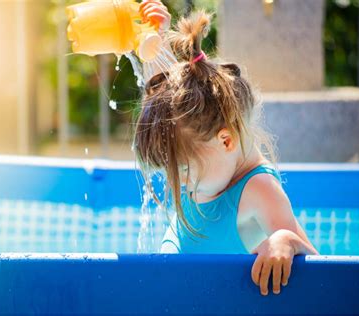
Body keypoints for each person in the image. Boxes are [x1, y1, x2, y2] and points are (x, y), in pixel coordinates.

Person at [136, 1, 319, 296]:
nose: (178, 182)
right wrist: (156, 37)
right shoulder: (205, 150)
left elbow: (323, 272)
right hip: (181, 295)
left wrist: (286, 240)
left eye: (184, 170)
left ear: (225, 140)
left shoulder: (258, 189)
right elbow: (172, 103)